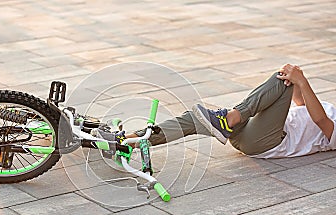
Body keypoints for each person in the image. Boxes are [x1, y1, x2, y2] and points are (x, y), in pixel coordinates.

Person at [122, 64, 336, 158]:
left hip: (267, 143)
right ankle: (129, 140)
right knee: (196, 119)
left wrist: (302, 80)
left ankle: (229, 118)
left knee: (280, 83)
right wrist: (295, 79)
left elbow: (319, 120)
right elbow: (301, 104)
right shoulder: (331, 109)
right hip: (252, 131)